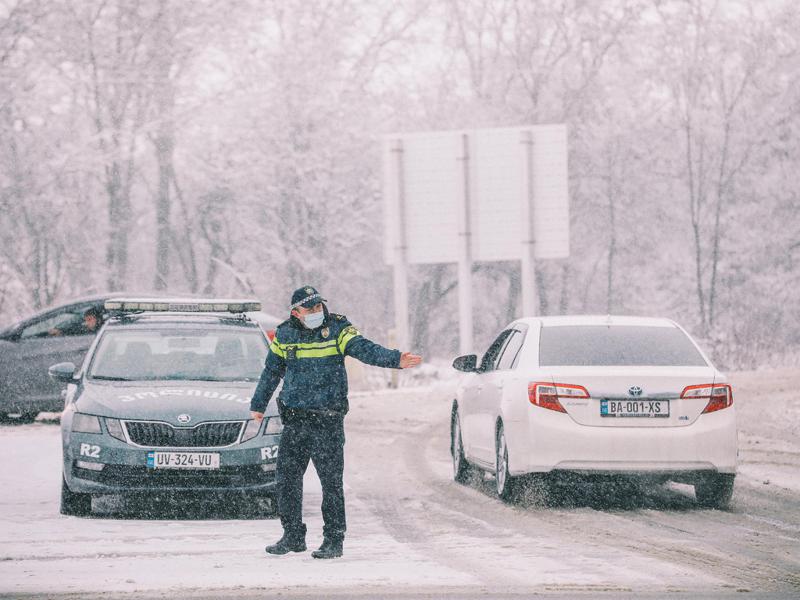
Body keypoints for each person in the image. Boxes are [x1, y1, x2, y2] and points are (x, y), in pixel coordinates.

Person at [250, 286, 422, 559]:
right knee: (287, 481)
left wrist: (395, 360)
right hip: (295, 420)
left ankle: (333, 539)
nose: (317, 312)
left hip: (327, 421)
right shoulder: (285, 334)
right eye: (310, 309)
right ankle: (293, 535)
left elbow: (365, 349)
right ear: (296, 312)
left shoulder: (338, 329)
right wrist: (258, 405)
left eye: (319, 307)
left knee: (330, 484)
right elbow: (272, 370)